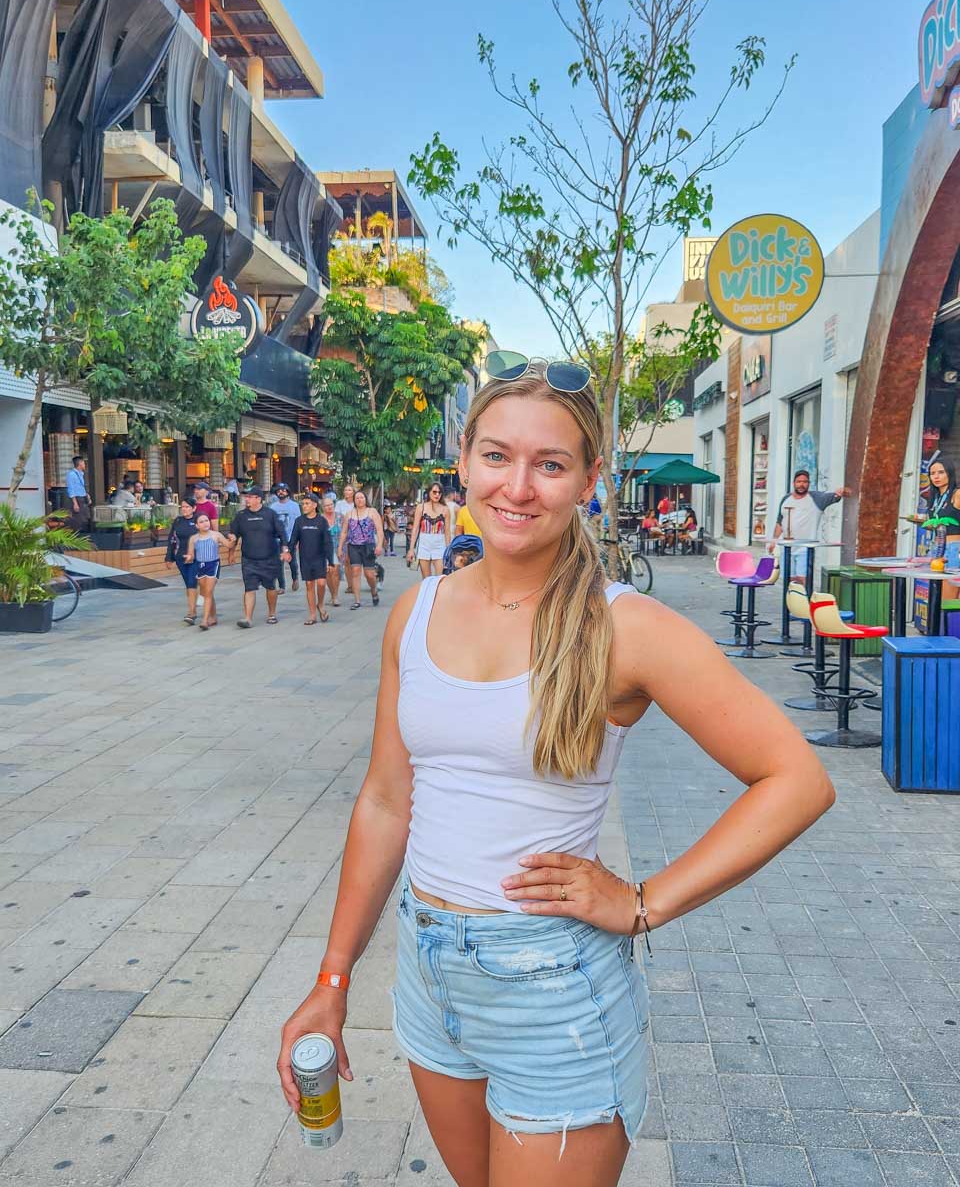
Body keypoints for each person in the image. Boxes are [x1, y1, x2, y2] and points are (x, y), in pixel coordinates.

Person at [277, 358, 835, 1185]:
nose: (518, 486)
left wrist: (645, 902)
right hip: (430, 975)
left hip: (554, 989)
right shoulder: (415, 609)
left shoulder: (624, 627)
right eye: (498, 457)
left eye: (551, 464)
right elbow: (388, 801)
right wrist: (333, 976)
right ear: (463, 460)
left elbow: (797, 779)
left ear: (587, 480)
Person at [226, 486, 291, 628]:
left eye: (249, 497)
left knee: (270, 587)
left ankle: (272, 614)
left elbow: (282, 533)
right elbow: (234, 535)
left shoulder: (270, 514)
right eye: (246, 497)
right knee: (249, 588)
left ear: (258, 499)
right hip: (249, 559)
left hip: (269, 557)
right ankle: (248, 618)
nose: (246, 499)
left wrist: (285, 549)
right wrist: (231, 552)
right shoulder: (241, 516)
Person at [767, 470, 852, 578]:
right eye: (798, 482)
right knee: (789, 581)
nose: (801, 484)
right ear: (794, 483)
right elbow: (780, 521)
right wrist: (774, 541)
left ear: (808, 483)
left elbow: (837, 496)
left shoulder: (817, 499)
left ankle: (806, 595)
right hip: (787, 548)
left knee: (802, 579)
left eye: (805, 482)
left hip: (805, 549)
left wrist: (843, 491)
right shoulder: (786, 499)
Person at [905, 457, 960, 602]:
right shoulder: (935, 497)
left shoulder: (957, 494)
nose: (936, 476)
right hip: (936, 549)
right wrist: (920, 522)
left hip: (954, 549)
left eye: (941, 472)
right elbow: (939, 524)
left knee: (948, 600)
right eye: (932, 473)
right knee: (934, 598)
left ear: (949, 473)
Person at [290, 494, 334, 624]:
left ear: (315, 505)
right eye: (303, 504)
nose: (304, 506)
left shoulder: (321, 521)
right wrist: (288, 551)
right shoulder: (299, 521)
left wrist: (330, 560)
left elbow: (328, 542)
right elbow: (293, 539)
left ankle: (320, 604)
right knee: (309, 585)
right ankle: (312, 614)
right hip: (305, 558)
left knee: (321, 583)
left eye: (307, 503)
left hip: (319, 557)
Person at [183, 512, 230, 630]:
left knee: (208, 592)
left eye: (206, 520)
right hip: (200, 565)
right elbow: (191, 554)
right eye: (201, 522)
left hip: (213, 564)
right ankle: (213, 617)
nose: (205, 523)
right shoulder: (194, 538)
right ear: (196, 525)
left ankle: (205, 620)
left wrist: (233, 539)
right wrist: (189, 558)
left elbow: (229, 545)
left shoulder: (216, 535)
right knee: (206, 592)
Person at [338, 489, 385, 610]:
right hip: (353, 546)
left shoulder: (372, 512)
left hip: (368, 545)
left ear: (365, 499)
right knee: (355, 571)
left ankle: (374, 591)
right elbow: (344, 532)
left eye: (362, 497)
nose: (359, 500)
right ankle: (357, 600)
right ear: (354, 500)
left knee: (369, 574)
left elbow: (379, 530)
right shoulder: (350, 513)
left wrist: (379, 545)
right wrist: (340, 548)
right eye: (357, 498)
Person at [164, 497, 199, 623]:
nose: (184, 509)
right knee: (188, 584)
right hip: (180, 557)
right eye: (182, 507)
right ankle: (193, 606)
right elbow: (171, 540)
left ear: (194, 508)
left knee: (191, 583)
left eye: (187, 507)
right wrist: (169, 558)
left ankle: (192, 613)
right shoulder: (178, 521)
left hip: (196, 558)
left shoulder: (198, 520)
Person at [406, 482, 450, 578]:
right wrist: (411, 549)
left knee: (440, 578)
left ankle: (438, 593)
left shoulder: (445, 509)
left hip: (440, 544)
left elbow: (447, 532)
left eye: (439, 492)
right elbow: (415, 529)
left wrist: (448, 550)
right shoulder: (421, 507)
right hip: (424, 544)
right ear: (429, 492)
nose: (437, 495)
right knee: (426, 579)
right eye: (434, 492)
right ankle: (428, 593)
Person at [270, 483, 301, 592]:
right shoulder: (273, 507)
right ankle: (282, 586)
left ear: (287, 492)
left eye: (283, 490)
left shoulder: (294, 506)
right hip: (277, 539)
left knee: (292, 561)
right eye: (278, 490)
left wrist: (298, 540)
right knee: (279, 563)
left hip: (291, 538)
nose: (281, 492)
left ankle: (295, 578)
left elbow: (298, 522)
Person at [321, 495, 343, 607]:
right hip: (324, 548)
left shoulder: (340, 517)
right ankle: (333, 594)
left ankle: (335, 595)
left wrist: (343, 548)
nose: (329, 507)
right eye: (326, 505)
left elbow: (345, 532)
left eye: (331, 505)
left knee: (335, 571)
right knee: (328, 572)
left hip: (338, 547)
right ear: (323, 507)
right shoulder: (320, 519)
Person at [65, 456, 91, 532]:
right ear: (80, 464)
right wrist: (75, 503)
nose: (84, 465)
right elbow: (71, 489)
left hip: (83, 498)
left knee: (85, 518)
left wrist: (87, 496)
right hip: (77, 498)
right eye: (83, 463)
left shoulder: (81, 474)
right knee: (78, 519)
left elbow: (81, 487)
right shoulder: (71, 474)